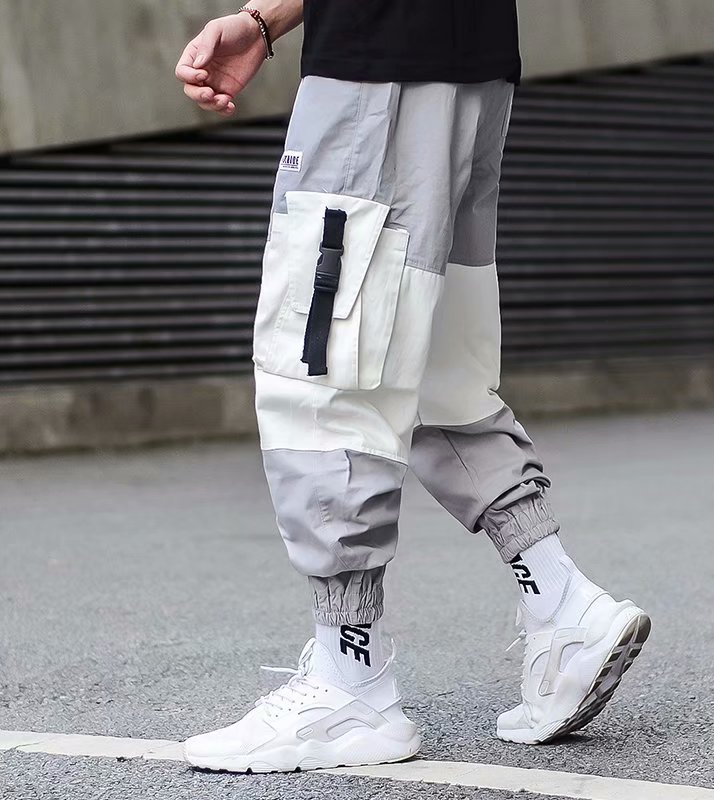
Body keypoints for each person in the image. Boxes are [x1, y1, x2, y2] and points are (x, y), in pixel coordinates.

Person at [174, 0, 650, 774]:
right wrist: (268, 20)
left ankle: (349, 678)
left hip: (380, 65)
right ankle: (560, 601)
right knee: (426, 363)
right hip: (467, 56)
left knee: (327, 375)